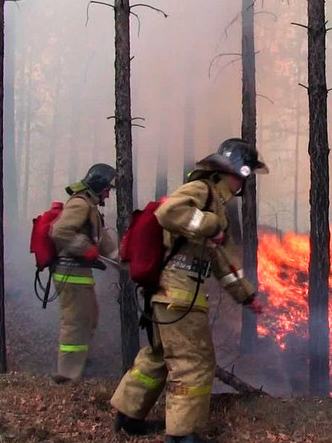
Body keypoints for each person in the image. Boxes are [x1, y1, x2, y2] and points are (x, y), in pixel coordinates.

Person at [110, 138, 268, 443]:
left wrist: (246, 295)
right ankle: (182, 435)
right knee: (194, 361)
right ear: (231, 172)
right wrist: (211, 225)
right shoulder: (203, 191)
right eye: (243, 175)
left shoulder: (215, 202)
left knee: (158, 356)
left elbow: (221, 262)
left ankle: (128, 417)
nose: (245, 183)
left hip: (171, 294)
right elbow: (168, 212)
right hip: (179, 295)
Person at [49, 163, 119, 384]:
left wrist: (127, 260)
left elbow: (107, 246)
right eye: (107, 188)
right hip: (70, 273)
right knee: (76, 322)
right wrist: (84, 247)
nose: (108, 192)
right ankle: (67, 377)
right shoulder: (80, 204)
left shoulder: (90, 207)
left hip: (79, 273)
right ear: (98, 185)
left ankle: (79, 364)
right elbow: (59, 231)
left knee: (88, 319)